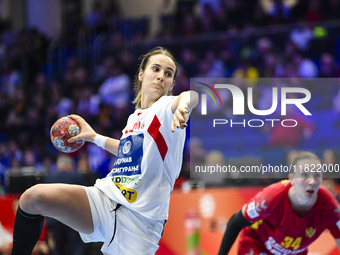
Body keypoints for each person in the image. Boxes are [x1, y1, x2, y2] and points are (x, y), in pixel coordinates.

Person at [10, 46, 199, 255]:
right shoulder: (134, 117)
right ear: (141, 74)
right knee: (32, 198)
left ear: (172, 83)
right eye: (156, 69)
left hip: (140, 224)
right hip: (106, 200)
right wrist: (95, 138)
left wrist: (183, 105)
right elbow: (130, 152)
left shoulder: (166, 107)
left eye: (168, 73)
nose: (161, 76)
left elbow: (191, 96)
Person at [218, 151, 340, 255]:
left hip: (294, 251)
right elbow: (235, 222)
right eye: (304, 175)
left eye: (317, 175)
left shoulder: (330, 207)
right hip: (257, 244)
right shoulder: (270, 199)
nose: (312, 181)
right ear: (291, 178)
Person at [44, 155, 86, 255]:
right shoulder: (77, 177)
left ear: (59, 166)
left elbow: (44, 200)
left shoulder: (49, 178)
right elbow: (86, 197)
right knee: (77, 248)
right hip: (74, 219)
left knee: (58, 249)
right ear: (70, 166)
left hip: (55, 219)